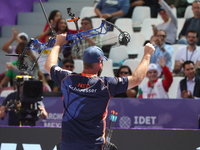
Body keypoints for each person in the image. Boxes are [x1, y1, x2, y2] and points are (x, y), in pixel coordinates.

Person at [44, 33, 155, 149]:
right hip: (93, 145)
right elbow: (136, 79)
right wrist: (147, 54)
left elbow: (49, 66)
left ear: (84, 63)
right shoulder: (105, 84)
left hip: (68, 144)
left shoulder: (67, 79)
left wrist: (58, 43)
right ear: (99, 63)